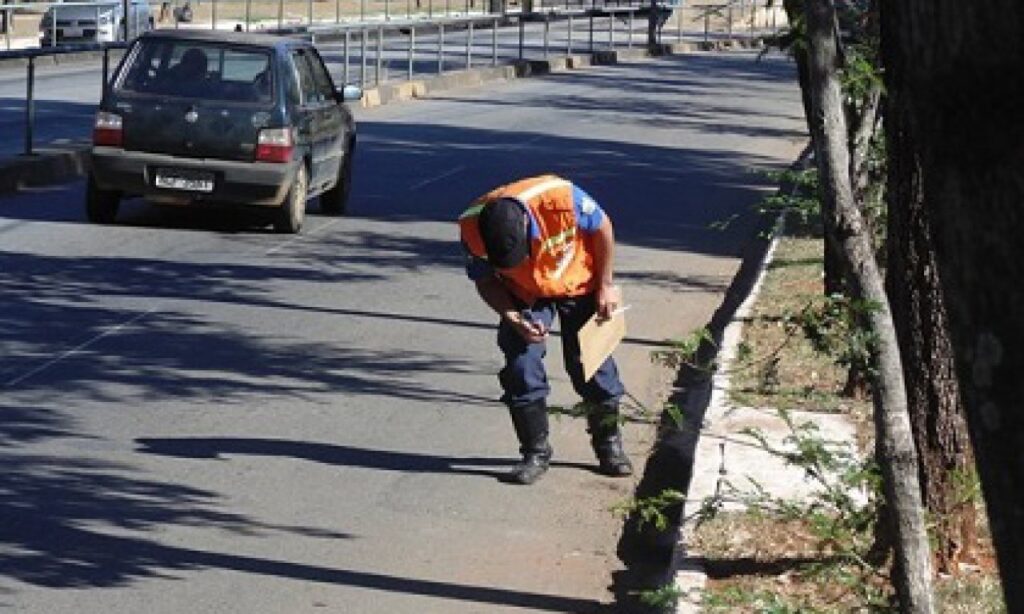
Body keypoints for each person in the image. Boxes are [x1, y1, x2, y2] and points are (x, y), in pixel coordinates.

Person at [458, 174, 633, 485]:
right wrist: (512, 316)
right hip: (525, 294)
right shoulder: (472, 226)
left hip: (578, 282)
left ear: (528, 226)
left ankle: (609, 446)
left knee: (592, 365)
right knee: (521, 366)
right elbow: (485, 281)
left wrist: (606, 286)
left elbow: (603, 226)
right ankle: (535, 452)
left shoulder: (561, 198)